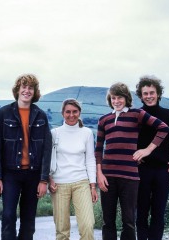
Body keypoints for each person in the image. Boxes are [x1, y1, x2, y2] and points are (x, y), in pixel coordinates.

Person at [95, 82, 169, 240]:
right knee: (108, 221)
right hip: (107, 176)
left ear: (126, 98)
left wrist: (147, 150)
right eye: (113, 98)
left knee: (129, 221)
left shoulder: (137, 114)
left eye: (120, 97)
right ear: (110, 99)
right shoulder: (104, 120)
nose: (117, 101)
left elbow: (163, 128)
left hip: (130, 177)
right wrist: (99, 174)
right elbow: (98, 149)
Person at [0, 73, 52, 240]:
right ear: (17, 90)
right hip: (10, 174)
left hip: (33, 174)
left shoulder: (41, 116)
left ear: (35, 91)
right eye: (23, 87)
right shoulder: (3, 113)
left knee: (29, 219)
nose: (27, 90)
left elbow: (47, 150)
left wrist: (43, 180)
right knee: (9, 215)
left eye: (30, 87)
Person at [135, 76, 169, 240]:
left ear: (158, 94)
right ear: (141, 96)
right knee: (141, 213)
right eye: (145, 93)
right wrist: (134, 155)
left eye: (152, 92)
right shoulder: (137, 115)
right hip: (141, 170)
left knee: (158, 213)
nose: (149, 96)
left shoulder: (168, 114)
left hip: (162, 171)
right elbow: (128, 140)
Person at [48, 98, 98, 240]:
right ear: (62, 113)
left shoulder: (87, 133)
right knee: (62, 231)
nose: (71, 115)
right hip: (59, 184)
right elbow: (47, 159)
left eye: (75, 111)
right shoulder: (54, 133)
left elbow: (90, 159)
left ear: (79, 112)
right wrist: (49, 179)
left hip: (81, 183)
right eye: (68, 112)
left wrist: (93, 186)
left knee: (87, 226)